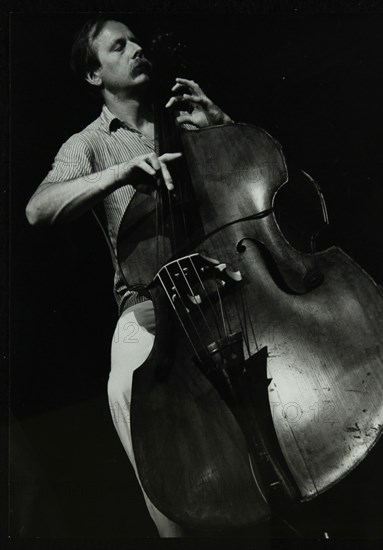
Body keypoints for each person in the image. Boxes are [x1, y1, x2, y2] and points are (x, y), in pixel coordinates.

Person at [25, 17, 238, 538]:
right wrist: (119, 172)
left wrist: (221, 125)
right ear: (95, 75)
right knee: (124, 387)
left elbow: (252, 177)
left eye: (136, 40)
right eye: (119, 47)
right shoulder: (90, 143)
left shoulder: (183, 115)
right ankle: (175, 532)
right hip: (151, 306)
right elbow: (38, 209)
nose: (138, 49)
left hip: (228, 288)